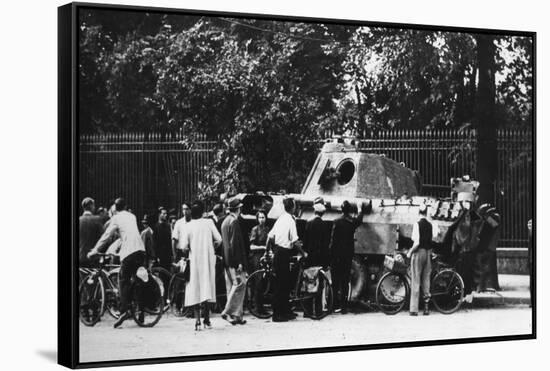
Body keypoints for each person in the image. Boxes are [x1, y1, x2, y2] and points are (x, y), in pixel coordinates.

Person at [88, 197, 147, 328]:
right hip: (140, 250)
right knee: (138, 281)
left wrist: (95, 250)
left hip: (129, 253)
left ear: (115, 208)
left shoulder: (116, 218)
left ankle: (124, 310)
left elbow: (106, 236)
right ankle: (141, 312)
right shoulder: (132, 216)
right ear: (125, 206)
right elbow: (126, 235)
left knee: (123, 280)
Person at [179, 201, 222, 330]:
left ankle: (197, 320)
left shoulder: (188, 226)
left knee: (195, 288)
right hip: (208, 260)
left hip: (194, 261)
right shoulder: (208, 223)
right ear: (203, 212)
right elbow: (219, 239)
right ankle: (207, 319)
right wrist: (211, 247)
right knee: (207, 287)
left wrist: (191, 249)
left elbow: (183, 246)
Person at [267, 197, 307, 322]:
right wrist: (303, 253)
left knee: (284, 283)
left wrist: (268, 250)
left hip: (279, 251)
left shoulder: (281, 219)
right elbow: (295, 241)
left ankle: (285, 311)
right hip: (283, 253)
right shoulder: (290, 220)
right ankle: (277, 315)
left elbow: (270, 236)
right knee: (281, 284)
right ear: (293, 208)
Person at [329, 200, 366, 314]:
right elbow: (359, 220)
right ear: (349, 211)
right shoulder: (351, 223)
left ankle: (334, 305)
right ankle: (344, 307)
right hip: (347, 256)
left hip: (336, 256)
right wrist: (360, 209)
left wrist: (331, 254)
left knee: (335, 281)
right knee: (345, 281)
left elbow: (332, 241)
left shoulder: (336, 221)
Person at [406, 204, 439, 316]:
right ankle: (426, 308)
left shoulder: (417, 224)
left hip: (419, 253)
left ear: (419, 212)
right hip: (428, 253)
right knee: (426, 280)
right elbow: (434, 236)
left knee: (416, 279)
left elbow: (417, 242)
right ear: (426, 213)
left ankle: (414, 309)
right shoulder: (431, 225)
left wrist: (410, 252)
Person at [220, 198, 249, 325]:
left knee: (232, 286)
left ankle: (237, 315)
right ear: (237, 209)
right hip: (235, 260)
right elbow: (235, 244)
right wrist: (239, 262)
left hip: (227, 259)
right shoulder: (234, 222)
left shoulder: (225, 222)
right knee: (240, 285)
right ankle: (227, 311)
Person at [303, 201, 330, 268]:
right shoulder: (324, 224)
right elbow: (326, 242)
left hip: (310, 253)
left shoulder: (309, 223)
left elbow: (305, 239)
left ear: (315, 211)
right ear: (322, 214)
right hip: (320, 255)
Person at [79, 197, 104, 267]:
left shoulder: (78, 220)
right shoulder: (97, 219)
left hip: (80, 256)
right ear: (91, 206)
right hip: (93, 257)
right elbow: (102, 237)